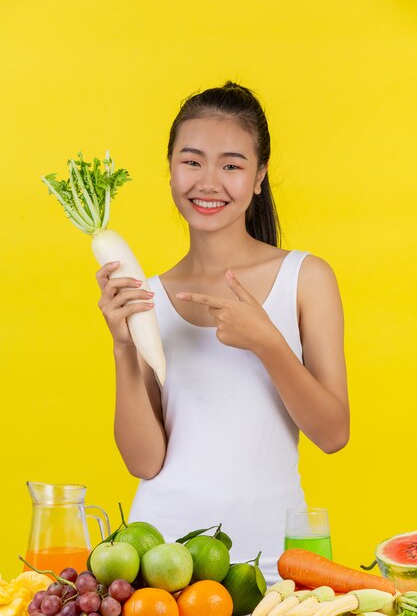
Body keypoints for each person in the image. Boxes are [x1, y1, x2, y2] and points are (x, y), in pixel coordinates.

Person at [96, 81, 350, 585]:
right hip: (160, 565)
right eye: (192, 161)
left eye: (231, 165)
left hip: (277, 568)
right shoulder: (144, 295)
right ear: (170, 168)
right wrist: (124, 347)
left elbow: (333, 434)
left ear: (259, 177)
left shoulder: (306, 278)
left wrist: (267, 343)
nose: (208, 182)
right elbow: (144, 462)